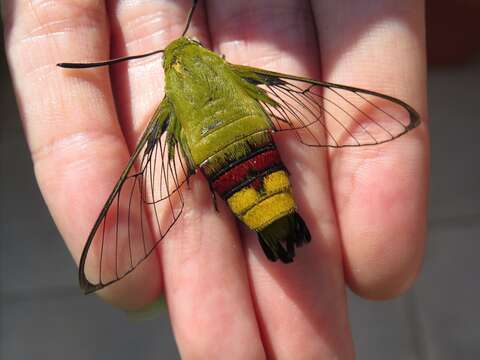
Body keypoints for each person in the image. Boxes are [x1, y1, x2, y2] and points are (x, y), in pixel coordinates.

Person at [4, 1, 428, 358]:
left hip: (230, 179)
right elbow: (306, 100)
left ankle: (273, 230)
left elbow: (161, 165)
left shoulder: (164, 116)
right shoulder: (241, 74)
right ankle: (283, 224)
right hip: (266, 164)